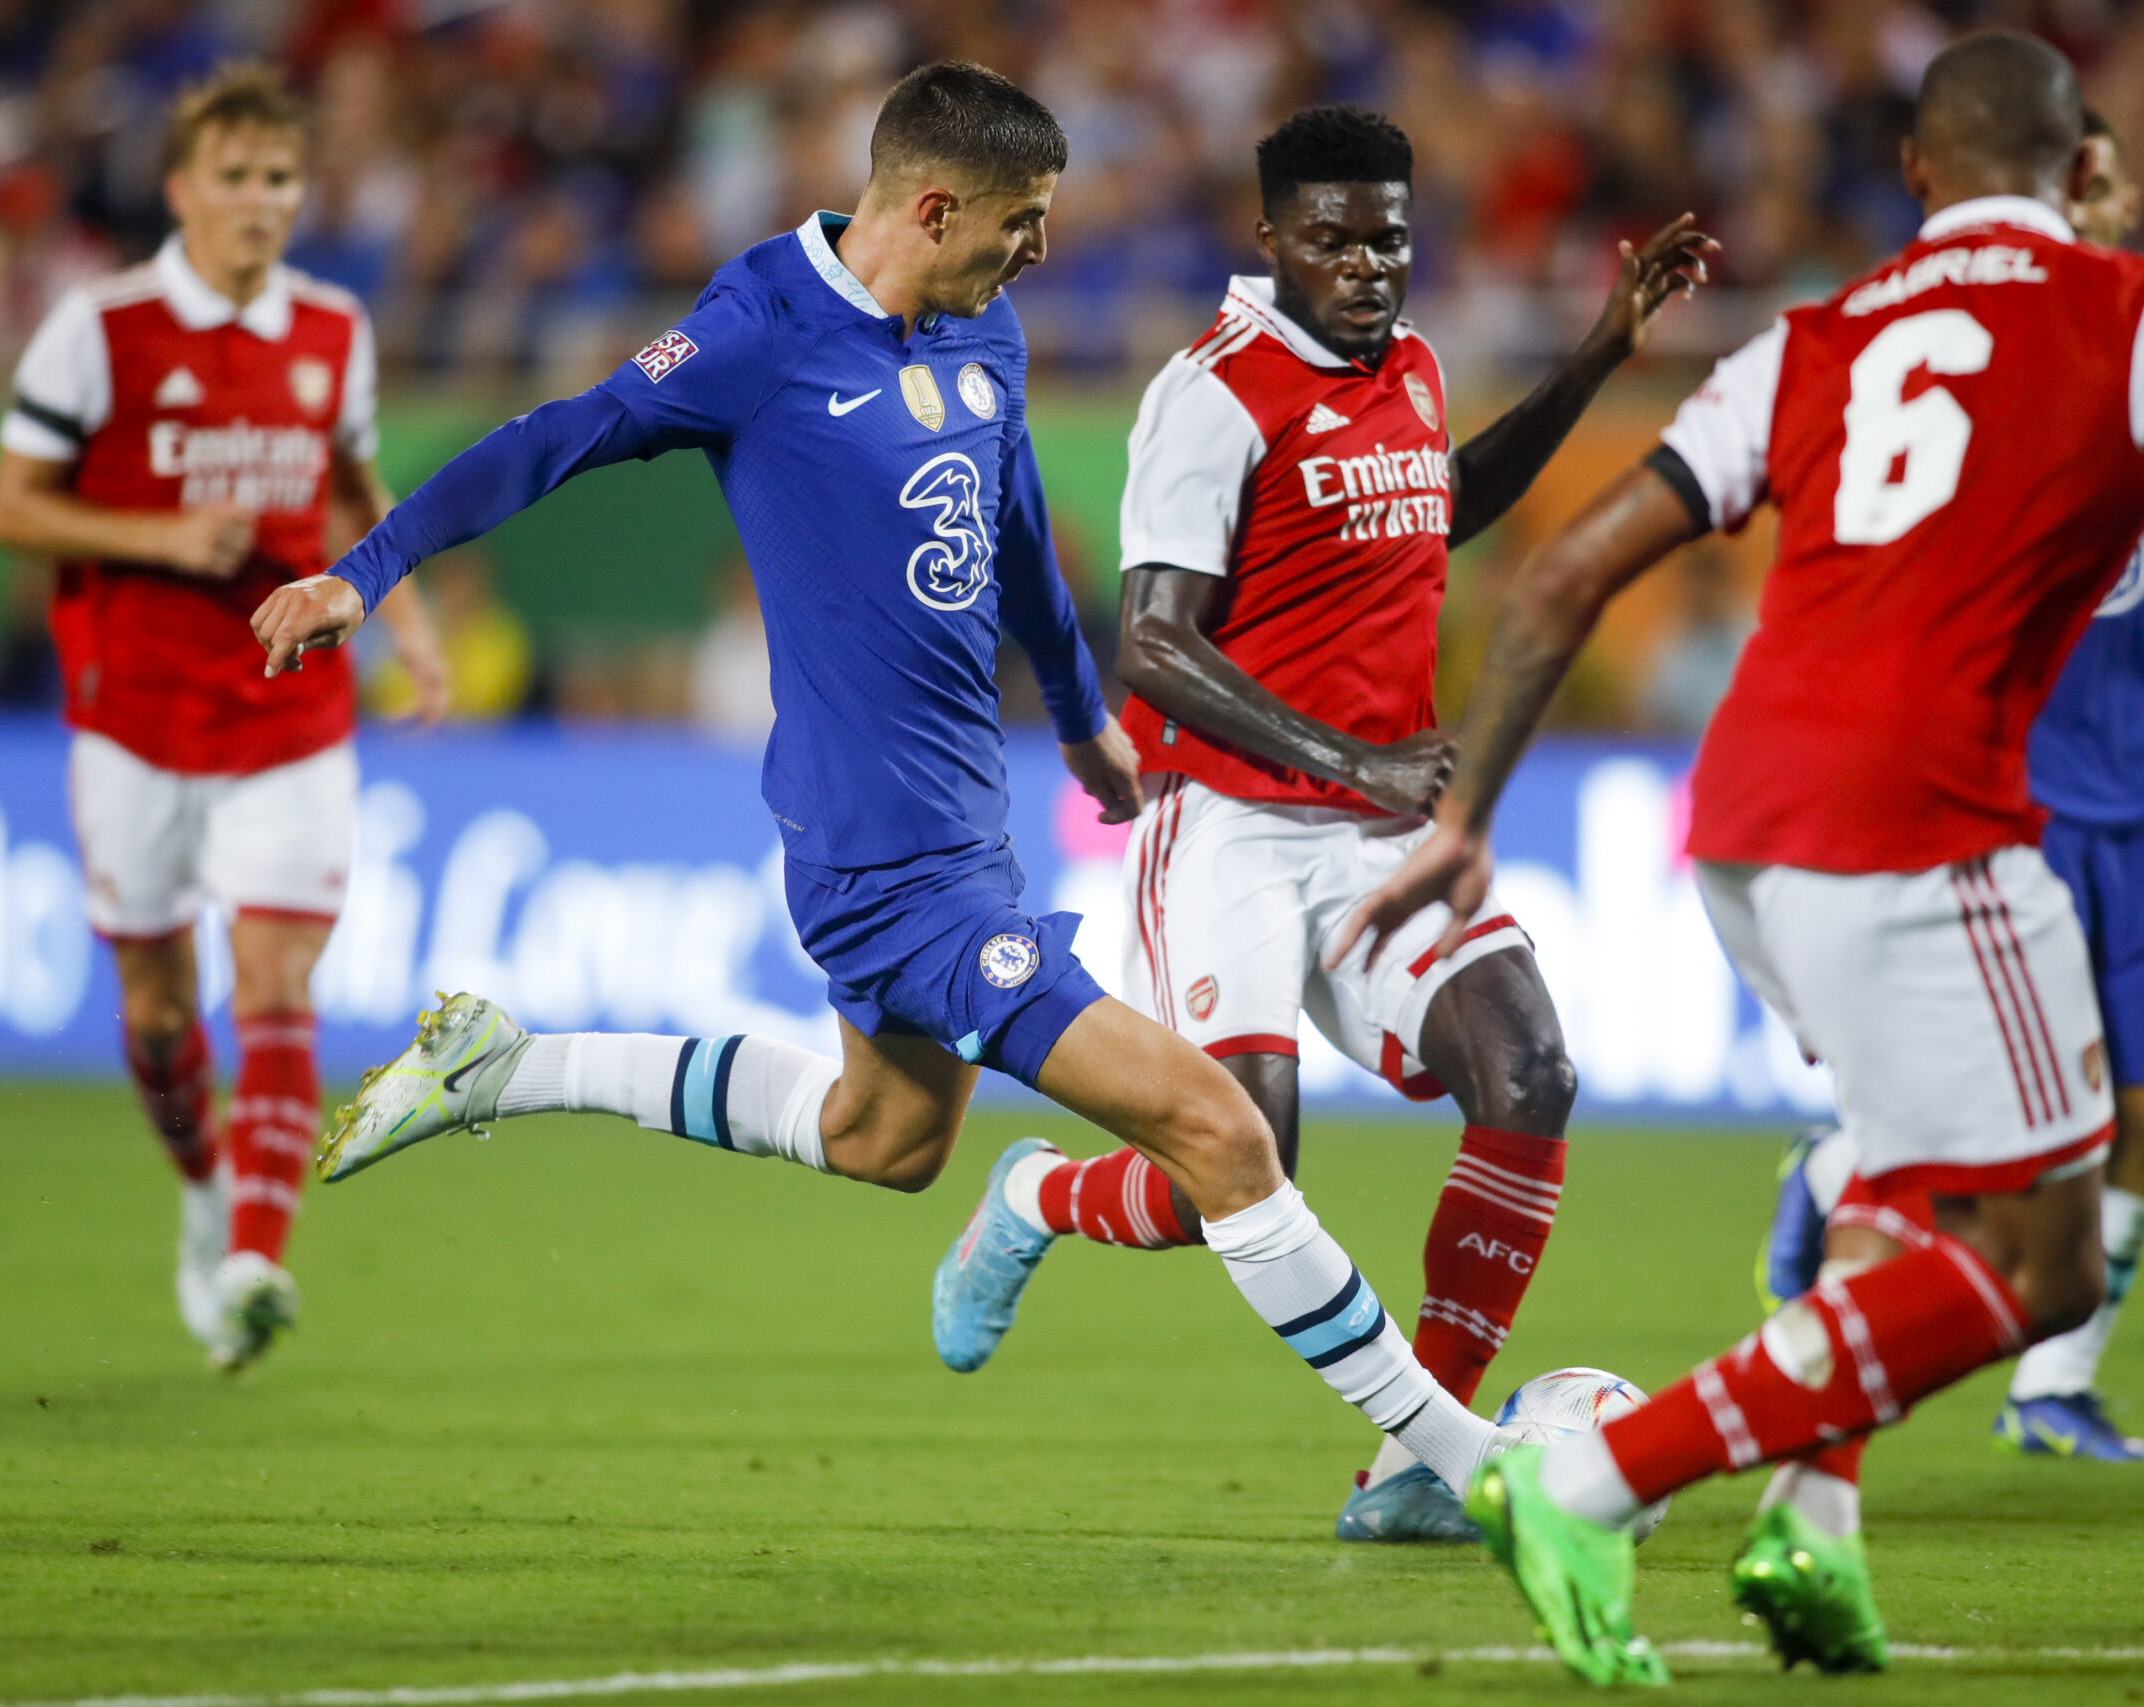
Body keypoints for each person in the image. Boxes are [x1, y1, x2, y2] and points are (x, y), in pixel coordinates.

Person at [1336, 30, 2144, 1686]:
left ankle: (1811, 1531)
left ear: (1913, 176)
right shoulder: (2143, 314)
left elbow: (1562, 575)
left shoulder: (1811, 341)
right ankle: (1589, 1485)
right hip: (1919, 826)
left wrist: (1469, 818)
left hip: (1743, 825)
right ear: (2078, 172)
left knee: (1914, 1190)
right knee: (2039, 1259)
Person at [251, 62, 1510, 1505]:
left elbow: (1022, 521)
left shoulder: (989, 331)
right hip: (880, 861)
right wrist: (364, 574)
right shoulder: (760, 335)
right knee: (1222, 1131)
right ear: (932, 204)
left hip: (965, 837)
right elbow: (559, 439)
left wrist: (1081, 716)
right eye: (1021, 221)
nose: (1039, 249)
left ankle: (505, 1067)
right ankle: (1477, 1471)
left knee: (886, 1139)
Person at [926, 104, 1714, 1544]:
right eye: (1334, 239)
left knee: (1530, 1071)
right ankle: (1039, 1197)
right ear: (1271, 236)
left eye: (1389, 239)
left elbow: (1443, 503)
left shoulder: (1409, 365)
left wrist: (1598, 353)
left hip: (1370, 817)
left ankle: (1418, 1468)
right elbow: (1152, 643)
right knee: (1246, 1162)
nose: (1367, 266)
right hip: (1223, 823)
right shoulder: (1212, 394)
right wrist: (1355, 755)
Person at [1756, 112, 2144, 1474]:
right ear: (2067, 180)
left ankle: (2058, 1382)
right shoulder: (1975, 348)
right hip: (2015, 778)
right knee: (2023, 1109)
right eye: (2109, 169)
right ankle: (1834, 1173)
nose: (2129, 191)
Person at [0, 64, 444, 1372]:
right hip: (132, 718)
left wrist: (403, 615)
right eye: (234, 178)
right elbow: (12, 509)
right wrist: (163, 534)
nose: (258, 202)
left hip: (287, 713)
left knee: (278, 982)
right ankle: (203, 1192)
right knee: (156, 1013)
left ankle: (254, 1253)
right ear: (183, 189)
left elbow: (357, 476)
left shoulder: (333, 330)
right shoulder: (103, 329)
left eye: (280, 180)